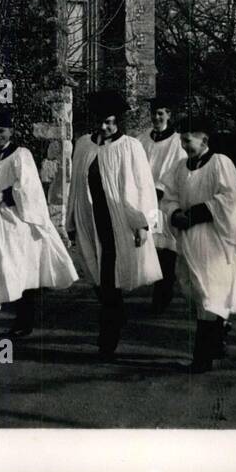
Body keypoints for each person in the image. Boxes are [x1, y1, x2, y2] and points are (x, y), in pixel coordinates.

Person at [0, 109, 78, 345]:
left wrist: (6, 195)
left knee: (21, 274)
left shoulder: (21, 155)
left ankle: (23, 322)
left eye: (2, 131)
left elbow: (29, 188)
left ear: (11, 131)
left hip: (15, 225)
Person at [67, 89, 161, 360]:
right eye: (101, 121)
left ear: (118, 122)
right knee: (97, 276)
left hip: (117, 222)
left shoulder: (130, 147)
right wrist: (72, 220)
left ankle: (107, 339)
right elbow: (75, 184)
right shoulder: (84, 145)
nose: (104, 127)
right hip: (90, 219)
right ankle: (116, 314)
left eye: (110, 122)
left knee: (110, 279)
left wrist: (144, 223)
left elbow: (143, 187)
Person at [163, 129, 236, 373]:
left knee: (209, 293)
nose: (184, 145)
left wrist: (195, 213)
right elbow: (169, 196)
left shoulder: (220, 163)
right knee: (195, 291)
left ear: (204, 140)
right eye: (182, 140)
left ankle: (202, 360)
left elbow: (229, 199)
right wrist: (174, 213)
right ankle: (218, 334)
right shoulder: (181, 167)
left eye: (188, 140)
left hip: (213, 237)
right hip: (189, 238)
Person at [136, 103, 187, 314]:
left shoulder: (177, 142)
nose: (156, 117)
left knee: (166, 250)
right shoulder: (141, 139)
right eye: (154, 113)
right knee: (148, 248)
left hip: (164, 201)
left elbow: (177, 169)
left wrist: (159, 189)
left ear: (168, 115)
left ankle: (162, 296)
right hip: (143, 200)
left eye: (160, 113)